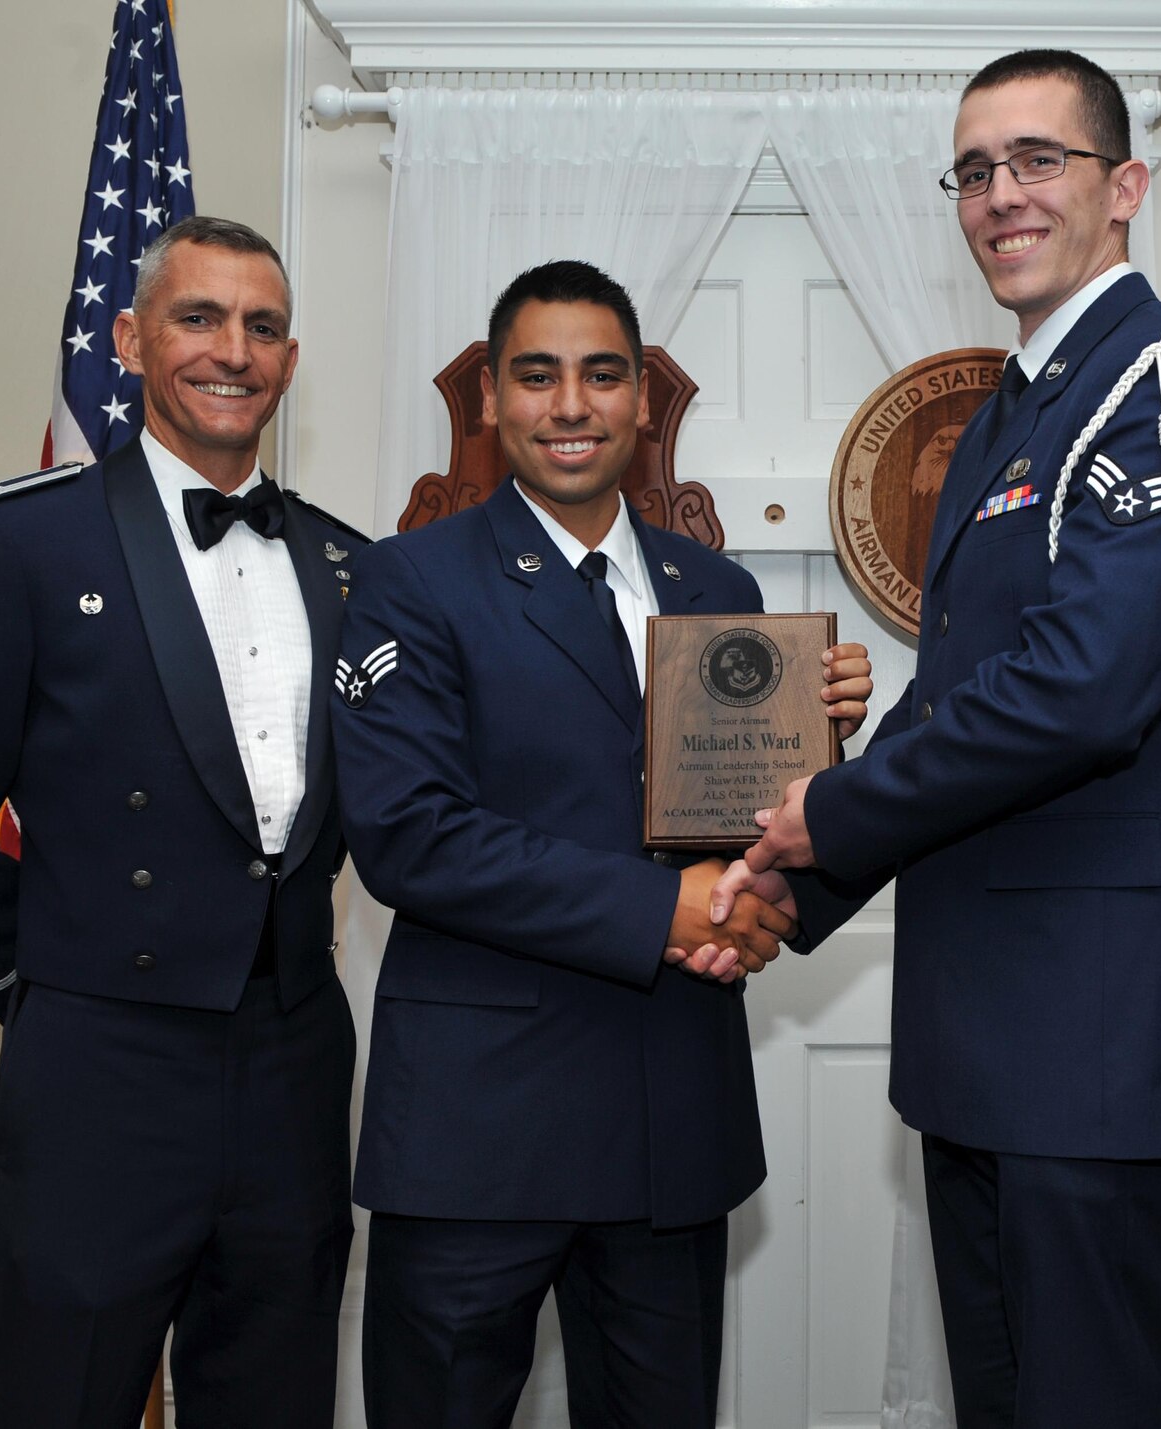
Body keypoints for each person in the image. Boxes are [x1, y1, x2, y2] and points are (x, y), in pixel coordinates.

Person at [700, 49, 1161, 1427]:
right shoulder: (1020, 406)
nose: (1000, 194)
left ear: (1124, 185)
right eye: (974, 169)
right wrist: (797, 877)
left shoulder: (1160, 376)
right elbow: (965, 694)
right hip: (989, 1043)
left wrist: (828, 822)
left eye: (1037, 159)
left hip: (1098, 1040)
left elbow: (1080, 690)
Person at [330, 260, 872, 1428]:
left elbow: (742, 833)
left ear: (642, 402)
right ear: (490, 401)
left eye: (600, 375)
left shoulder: (716, 586)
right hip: (478, 1138)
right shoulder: (406, 581)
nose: (569, 404)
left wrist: (818, 770)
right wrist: (661, 914)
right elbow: (409, 837)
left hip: (668, 1123)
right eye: (536, 376)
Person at [0, 216, 359, 1428]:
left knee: (273, 1399)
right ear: (131, 340)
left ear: (289, 361)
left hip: (292, 1061)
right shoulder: (26, 544)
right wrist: (42, 979)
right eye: (198, 318)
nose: (230, 349)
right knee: (60, 1399)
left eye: (262, 326)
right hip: (99, 1069)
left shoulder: (352, 565)